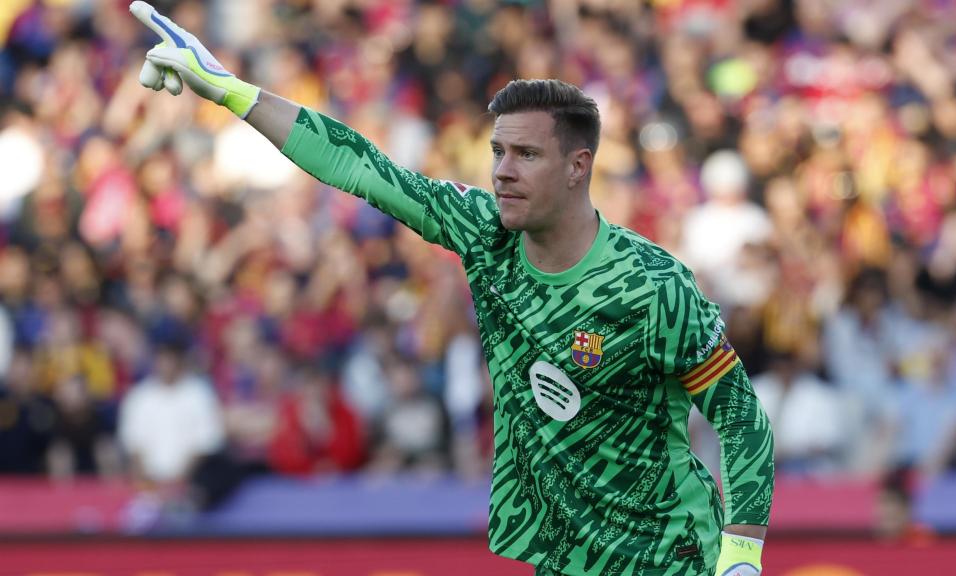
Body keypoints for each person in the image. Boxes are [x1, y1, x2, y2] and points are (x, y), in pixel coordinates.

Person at [128, 3, 774, 575]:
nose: (501, 172)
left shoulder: (651, 285)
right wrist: (232, 91)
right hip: (566, 560)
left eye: (525, 156)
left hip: (670, 560)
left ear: (579, 167)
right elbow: (360, 164)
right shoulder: (483, 233)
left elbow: (739, 418)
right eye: (497, 153)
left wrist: (741, 553)